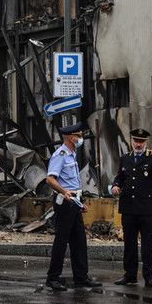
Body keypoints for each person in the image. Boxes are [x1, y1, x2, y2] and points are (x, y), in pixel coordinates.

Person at [44, 121, 102, 291]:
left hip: (73, 203)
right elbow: (50, 179)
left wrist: (79, 203)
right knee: (61, 241)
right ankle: (53, 278)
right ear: (70, 137)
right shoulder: (60, 154)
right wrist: (63, 191)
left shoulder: (71, 154)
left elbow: (73, 184)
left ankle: (81, 277)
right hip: (64, 204)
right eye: (78, 136)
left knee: (79, 242)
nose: (80, 138)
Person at [111, 129, 152, 287]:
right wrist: (116, 185)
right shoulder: (125, 158)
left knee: (148, 244)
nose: (138, 144)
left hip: (147, 209)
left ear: (146, 142)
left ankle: (149, 276)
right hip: (129, 208)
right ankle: (130, 275)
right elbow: (120, 177)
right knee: (129, 244)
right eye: (136, 140)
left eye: (141, 141)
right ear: (131, 141)